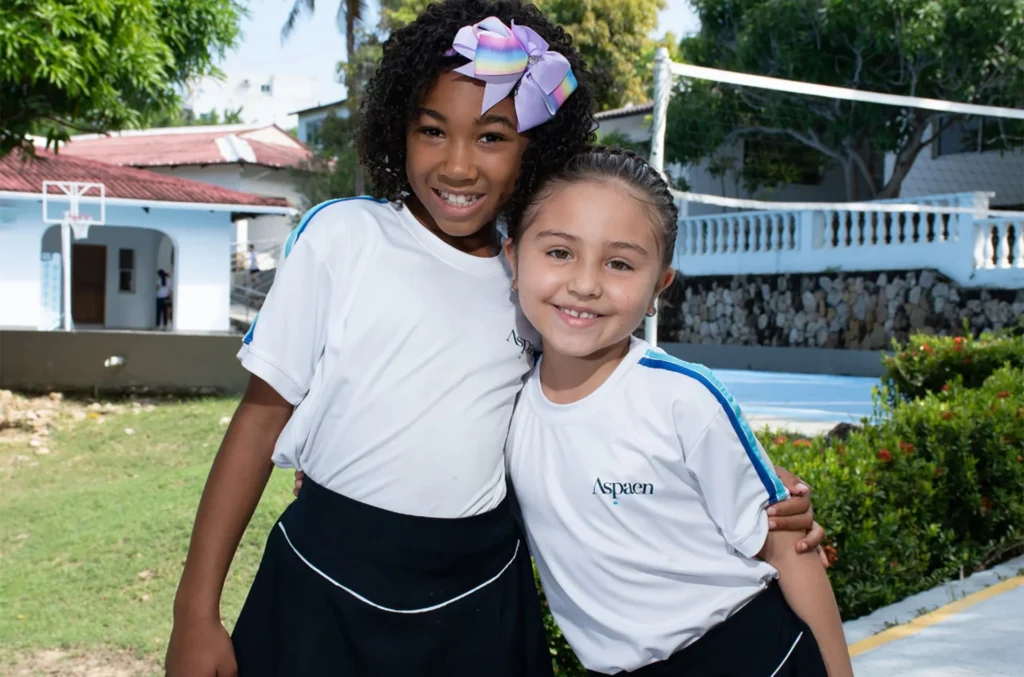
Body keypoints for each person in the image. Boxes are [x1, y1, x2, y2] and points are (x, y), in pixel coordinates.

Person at [166, 2, 823, 675]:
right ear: (398, 130)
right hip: (324, 574)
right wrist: (196, 609)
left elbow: (611, 407)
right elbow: (260, 416)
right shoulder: (342, 238)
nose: (457, 165)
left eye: (491, 137)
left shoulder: (537, 278)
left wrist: (758, 494)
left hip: (478, 595)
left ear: (534, 149)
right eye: (432, 130)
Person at [502, 147, 853, 677]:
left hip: (752, 655)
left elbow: (790, 547)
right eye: (559, 253)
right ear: (513, 258)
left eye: (619, 263)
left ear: (657, 289)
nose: (585, 283)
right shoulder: (508, 408)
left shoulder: (682, 399)